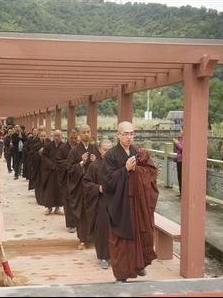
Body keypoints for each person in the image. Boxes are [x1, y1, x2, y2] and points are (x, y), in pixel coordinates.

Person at [101, 121, 158, 283]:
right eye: (125, 134)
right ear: (118, 135)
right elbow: (108, 182)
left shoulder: (137, 152)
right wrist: (124, 169)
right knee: (121, 240)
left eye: (132, 133)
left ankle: (139, 264)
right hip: (120, 204)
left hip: (137, 203)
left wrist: (137, 171)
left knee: (140, 233)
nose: (129, 137)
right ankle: (121, 273)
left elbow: (151, 173)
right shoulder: (111, 155)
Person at [66, 124, 100, 250]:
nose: (86, 134)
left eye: (88, 132)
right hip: (80, 187)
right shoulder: (74, 151)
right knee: (83, 214)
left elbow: (101, 165)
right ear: (80, 135)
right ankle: (83, 239)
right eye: (84, 132)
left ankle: (94, 237)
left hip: (92, 187)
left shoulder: (95, 149)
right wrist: (80, 163)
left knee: (94, 212)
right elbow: (69, 169)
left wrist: (96, 160)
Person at [82, 139, 113, 270]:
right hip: (101, 202)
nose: (107, 152)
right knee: (102, 230)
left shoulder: (117, 165)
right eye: (105, 149)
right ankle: (103, 256)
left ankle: (116, 255)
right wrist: (98, 188)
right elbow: (86, 183)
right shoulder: (94, 166)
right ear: (100, 150)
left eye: (110, 149)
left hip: (116, 202)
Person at [56, 128, 79, 233]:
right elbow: (58, 162)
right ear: (68, 137)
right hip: (66, 179)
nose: (73, 140)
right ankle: (71, 224)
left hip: (78, 178)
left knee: (78, 201)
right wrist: (71, 162)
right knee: (68, 201)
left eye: (75, 138)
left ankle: (79, 223)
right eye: (71, 138)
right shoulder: (63, 148)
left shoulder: (80, 147)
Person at [41, 130, 64, 215]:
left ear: (61, 136)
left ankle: (58, 208)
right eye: (55, 136)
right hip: (50, 171)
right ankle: (49, 208)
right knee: (50, 190)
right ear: (53, 136)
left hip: (60, 172)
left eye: (58, 136)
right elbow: (44, 156)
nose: (57, 137)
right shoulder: (48, 145)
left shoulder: (64, 146)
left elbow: (66, 157)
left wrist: (61, 165)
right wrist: (51, 165)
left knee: (59, 190)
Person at [172, 127, 183, 197]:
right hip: (179, 160)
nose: (180, 131)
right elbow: (177, 150)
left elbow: (183, 148)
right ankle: (181, 192)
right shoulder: (180, 139)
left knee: (182, 177)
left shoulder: (186, 139)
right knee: (179, 176)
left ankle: (183, 192)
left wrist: (177, 143)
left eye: (181, 130)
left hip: (183, 161)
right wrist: (175, 143)